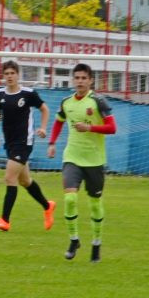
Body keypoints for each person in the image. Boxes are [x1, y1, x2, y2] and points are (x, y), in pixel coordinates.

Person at [47, 62, 116, 263]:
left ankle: (96, 244)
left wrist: (90, 128)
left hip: (94, 160)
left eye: (84, 78)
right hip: (72, 158)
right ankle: (74, 240)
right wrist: (52, 143)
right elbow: (59, 121)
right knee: (70, 199)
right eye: (77, 78)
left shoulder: (98, 101)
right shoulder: (66, 102)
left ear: (90, 80)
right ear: (73, 80)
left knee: (95, 204)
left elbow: (112, 128)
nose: (80, 81)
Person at [0, 60, 55, 232]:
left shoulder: (28, 94)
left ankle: (5, 220)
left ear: (18, 75)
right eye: (6, 74)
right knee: (25, 181)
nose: (9, 76)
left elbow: (45, 109)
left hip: (24, 142)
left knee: (10, 178)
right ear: (3, 76)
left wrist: (43, 128)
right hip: (9, 142)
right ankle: (47, 206)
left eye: (12, 73)